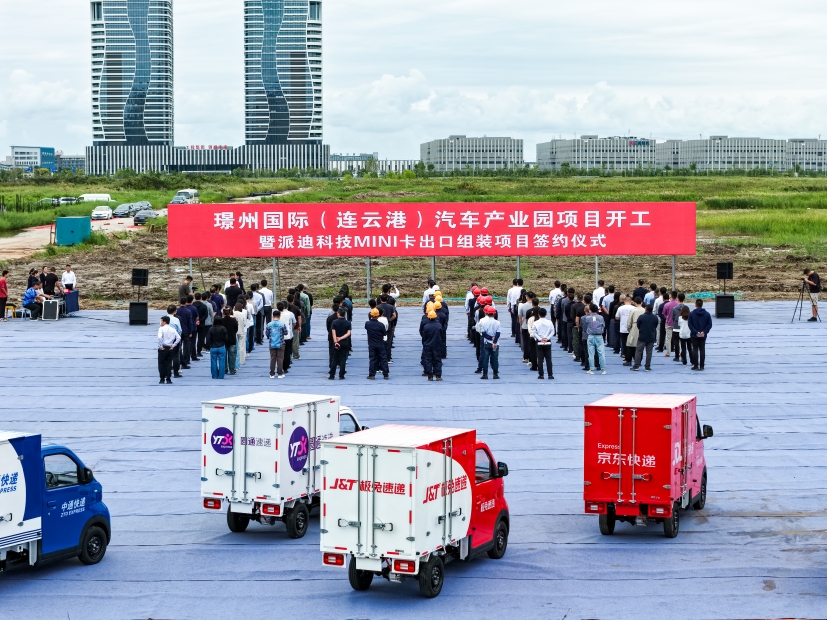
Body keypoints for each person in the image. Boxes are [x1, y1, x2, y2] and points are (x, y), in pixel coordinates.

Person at [632, 304, 659, 372]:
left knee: (638, 351)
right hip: (651, 336)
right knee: (649, 352)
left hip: (642, 336)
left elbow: (638, 325)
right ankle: (647, 366)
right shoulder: (655, 317)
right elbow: (655, 326)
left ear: (646, 309)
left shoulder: (641, 317)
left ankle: (636, 365)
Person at [477, 305, 501, 380]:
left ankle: (485, 374)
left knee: (485, 358)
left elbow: (483, 333)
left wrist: (490, 338)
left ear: (486, 313)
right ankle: (495, 374)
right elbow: (498, 333)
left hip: (486, 342)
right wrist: (494, 341)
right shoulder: (497, 322)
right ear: (494, 314)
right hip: (495, 344)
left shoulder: (483, 321)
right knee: (495, 359)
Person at [365, 308, 389, 380]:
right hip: (380, 343)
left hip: (371, 344)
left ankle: (372, 374)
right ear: (378, 315)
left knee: (372, 359)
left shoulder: (367, 323)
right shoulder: (381, 325)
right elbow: (385, 333)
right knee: (383, 358)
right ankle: (385, 374)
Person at [688, 299, 713, 370]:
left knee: (695, 349)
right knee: (702, 349)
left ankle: (695, 365)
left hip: (694, 335)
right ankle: (702, 366)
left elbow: (690, 324)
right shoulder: (707, 314)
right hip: (703, 335)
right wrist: (704, 331)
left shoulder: (692, 314)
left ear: (695, 304)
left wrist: (695, 332)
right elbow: (709, 324)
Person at [583, 304, 607, 375]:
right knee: (601, 353)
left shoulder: (587, 318)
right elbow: (603, 326)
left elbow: (585, 327)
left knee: (591, 353)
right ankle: (603, 369)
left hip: (590, 336)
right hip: (599, 336)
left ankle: (591, 369)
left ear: (590, 310)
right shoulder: (601, 317)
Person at [157, 316, 181, 384]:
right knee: (169, 363)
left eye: (161, 321)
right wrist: (173, 345)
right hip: (170, 348)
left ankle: (162, 379)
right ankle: (168, 379)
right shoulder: (172, 329)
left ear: (164, 321)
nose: (161, 322)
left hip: (163, 348)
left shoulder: (161, 329)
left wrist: (160, 346)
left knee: (161, 364)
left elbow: (159, 337)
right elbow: (178, 337)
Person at [329, 307, 351, 380]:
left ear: (338, 314)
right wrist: (341, 338)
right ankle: (341, 375)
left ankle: (332, 375)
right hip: (344, 342)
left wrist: (336, 341)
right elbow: (349, 333)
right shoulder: (348, 322)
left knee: (334, 359)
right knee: (343, 359)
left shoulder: (334, 322)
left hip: (336, 342)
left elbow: (333, 333)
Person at [421, 310, 443, 381]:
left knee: (428, 360)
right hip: (437, 345)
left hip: (428, 345)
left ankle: (430, 376)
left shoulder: (426, 326)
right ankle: (438, 375)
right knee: (437, 360)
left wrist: (424, 344)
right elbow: (441, 336)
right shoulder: (439, 326)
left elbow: (424, 337)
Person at [264, 309, 287, 379]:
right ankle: (280, 373)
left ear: (272, 316)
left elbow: (267, 334)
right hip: (281, 343)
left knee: (272, 359)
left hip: (272, 344)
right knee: (280, 359)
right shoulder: (282, 324)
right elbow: (286, 333)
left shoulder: (269, 324)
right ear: (279, 316)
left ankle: (272, 373)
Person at [532, 307, 554, 379]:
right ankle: (550, 375)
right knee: (548, 359)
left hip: (539, 342)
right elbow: (552, 332)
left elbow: (534, 332)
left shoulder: (536, 323)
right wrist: (547, 338)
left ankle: (541, 375)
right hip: (547, 342)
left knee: (540, 359)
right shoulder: (549, 322)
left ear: (538, 315)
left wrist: (540, 339)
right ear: (546, 314)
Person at [205, 315, 228, 379]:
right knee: (222, 361)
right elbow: (226, 338)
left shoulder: (211, 329)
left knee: (213, 361)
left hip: (213, 347)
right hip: (221, 346)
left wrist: (208, 346)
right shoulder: (223, 328)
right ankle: (221, 375)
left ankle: (214, 375)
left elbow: (208, 339)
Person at [624, 297, 645, 366]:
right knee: (640, 345)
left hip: (634, 327)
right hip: (642, 328)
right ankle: (638, 360)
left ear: (635, 303)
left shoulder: (633, 310)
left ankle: (628, 360)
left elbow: (629, 322)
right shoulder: (644, 310)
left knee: (630, 344)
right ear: (641, 303)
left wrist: (629, 329)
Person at [276, 301, 296, 373]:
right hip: (288, 335)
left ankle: (279, 366)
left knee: (279, 352)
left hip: (278, 336)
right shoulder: (290, 314)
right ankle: (286, 367)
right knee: (287, 351)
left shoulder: (276, 314)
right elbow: (294, 323)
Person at [165, 304, 183, 378]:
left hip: (165, 339)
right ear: (175, 311)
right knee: (176, 356)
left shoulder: (163, 319)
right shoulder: (176, 319)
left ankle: (167, 373)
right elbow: (179, 330)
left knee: (166, 356)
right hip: (174, 338)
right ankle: (176, 373)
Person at [220, 307, 239, 376]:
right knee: (232, 356)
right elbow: (236, 329)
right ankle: (232, 370)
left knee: (223, 356)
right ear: (230, 312)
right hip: (232, 339)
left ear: (223, 312)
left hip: (223, 340)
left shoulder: (221, 321)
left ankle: (224, 369)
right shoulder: (233, 320)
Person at [671, 293, 688, 362]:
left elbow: (673, 317)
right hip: (683, 327)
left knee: (676, 342)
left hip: (676, 327)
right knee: (683, 343)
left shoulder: (675, 308)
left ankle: (676, 356)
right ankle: (683, 356)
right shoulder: (686, 308)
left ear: (678, 299)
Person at [662, 291, 679, 357]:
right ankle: (679, 352)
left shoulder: (667, 305)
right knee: (678, 339)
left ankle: (668, 352)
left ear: (670, 296)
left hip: (669, 323)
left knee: (668, 338)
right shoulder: (678, 304)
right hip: (677, 323)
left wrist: (668, 317)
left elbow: (664, 313)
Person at [286, 293, 303, 360]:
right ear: (293, 300)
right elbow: (299, 318)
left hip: (286, 327)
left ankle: (288, 356)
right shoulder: (296, 308)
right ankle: (296, 355)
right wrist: (299, 326)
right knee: (295, 342)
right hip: (295, 326)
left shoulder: (284, 308)